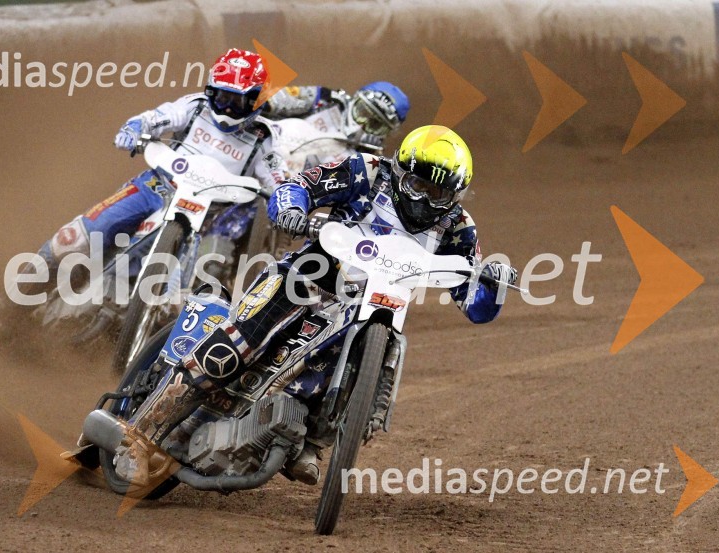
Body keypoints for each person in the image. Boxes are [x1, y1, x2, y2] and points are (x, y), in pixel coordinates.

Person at [109, 125, 518, 487]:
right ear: (399, 172)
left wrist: (492, 284)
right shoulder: (364, 171)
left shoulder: (459, 227)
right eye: (418, 186)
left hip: (368, 310)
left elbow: (475, 303)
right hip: (306, 277)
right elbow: (299, 185)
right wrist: (290, 208)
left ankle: (312, 438)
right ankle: (139, 437)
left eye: (440, 193)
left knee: (373, 364)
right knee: (232, 351)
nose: (427, 200)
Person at [0, 48, 290, 337]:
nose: (226, 109)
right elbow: (157, 117)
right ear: (211, 91)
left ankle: (140, 342)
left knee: (182, 301)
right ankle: (11, 306)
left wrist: (287, 203)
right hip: (155, 187)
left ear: (256, 101)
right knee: (75, 238)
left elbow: (279, 179)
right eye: (222, 97)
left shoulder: (265, 139)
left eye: (237, 102)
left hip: (207, 217)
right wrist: (133, 129)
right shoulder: (195, 106)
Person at [264, 81, 410, 153]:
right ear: (355, 99)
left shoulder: (369, 160)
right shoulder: (325, 99)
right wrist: (265, 103)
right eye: (363, 112)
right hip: (263, 149)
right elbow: (281, 98)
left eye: (376, 125)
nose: (363, 126)